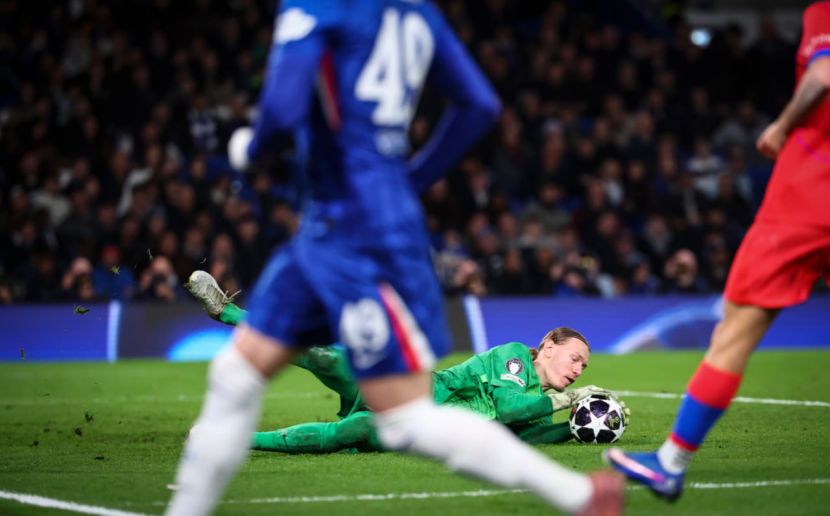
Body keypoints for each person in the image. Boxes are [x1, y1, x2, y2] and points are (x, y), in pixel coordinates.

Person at [166, 2, 624, 515]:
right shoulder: (418, 14)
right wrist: (411, 180)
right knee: (245, 372)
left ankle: (578, 495)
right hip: (361, 221)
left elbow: (282, 111)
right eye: (575, 358)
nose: (578, 369)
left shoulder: (317, 8)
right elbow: (479, 106)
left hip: (350, 224)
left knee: (396, 413)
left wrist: (250, 149)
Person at [606, 1, 830, 502]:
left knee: (734, 332)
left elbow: (823, 74)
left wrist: (781, 126)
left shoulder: (824, 11)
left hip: (809, 198)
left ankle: (670, 463)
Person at [185, 270, 629, 454]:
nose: (578, 369)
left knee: (354, 430)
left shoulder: (540, 405)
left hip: (416, 429)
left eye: (583, 368)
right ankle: (227, 311)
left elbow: (527, 436)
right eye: (575, 358)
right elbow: (511, 409)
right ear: (548, 345)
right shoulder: (514, 357)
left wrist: (581, 427)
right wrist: (568, 399)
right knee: (322, 356)